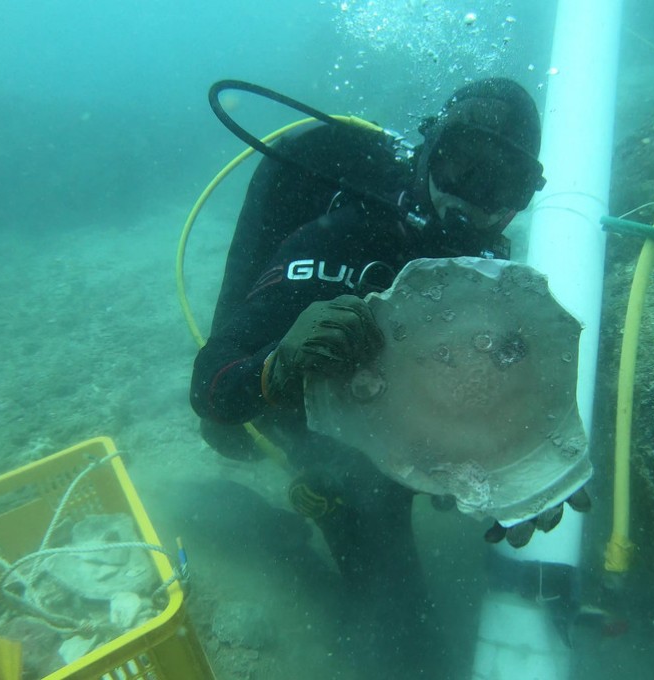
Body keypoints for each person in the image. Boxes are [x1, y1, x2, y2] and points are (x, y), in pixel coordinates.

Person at [190, 77, 558, 677]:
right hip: (335, 444)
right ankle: (256, 531)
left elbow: (503, 388)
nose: (474, 202)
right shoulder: (340, 239)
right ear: (430, 154)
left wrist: (532, 462)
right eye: (463, 167)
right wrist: (276, 366)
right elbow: (211, 388)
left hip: (412, 427)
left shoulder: (490, 275)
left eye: (504, 185)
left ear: (523, 197)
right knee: (401, 642)